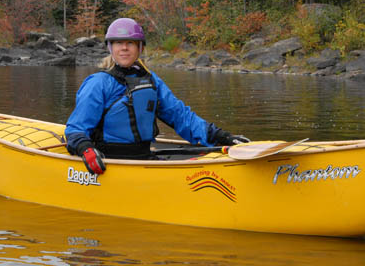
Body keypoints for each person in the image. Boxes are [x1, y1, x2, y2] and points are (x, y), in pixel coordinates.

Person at [65, 18, 249, 174]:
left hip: (144, 156)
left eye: (130, 43)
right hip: (111, 161)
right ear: (110, 48)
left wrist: (221, 136)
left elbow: (180, 116)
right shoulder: (98, 83)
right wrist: (86, 149)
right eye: (119, 43)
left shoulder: (152, 82)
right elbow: (76, 129)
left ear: (140, 48)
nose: (124, 48)